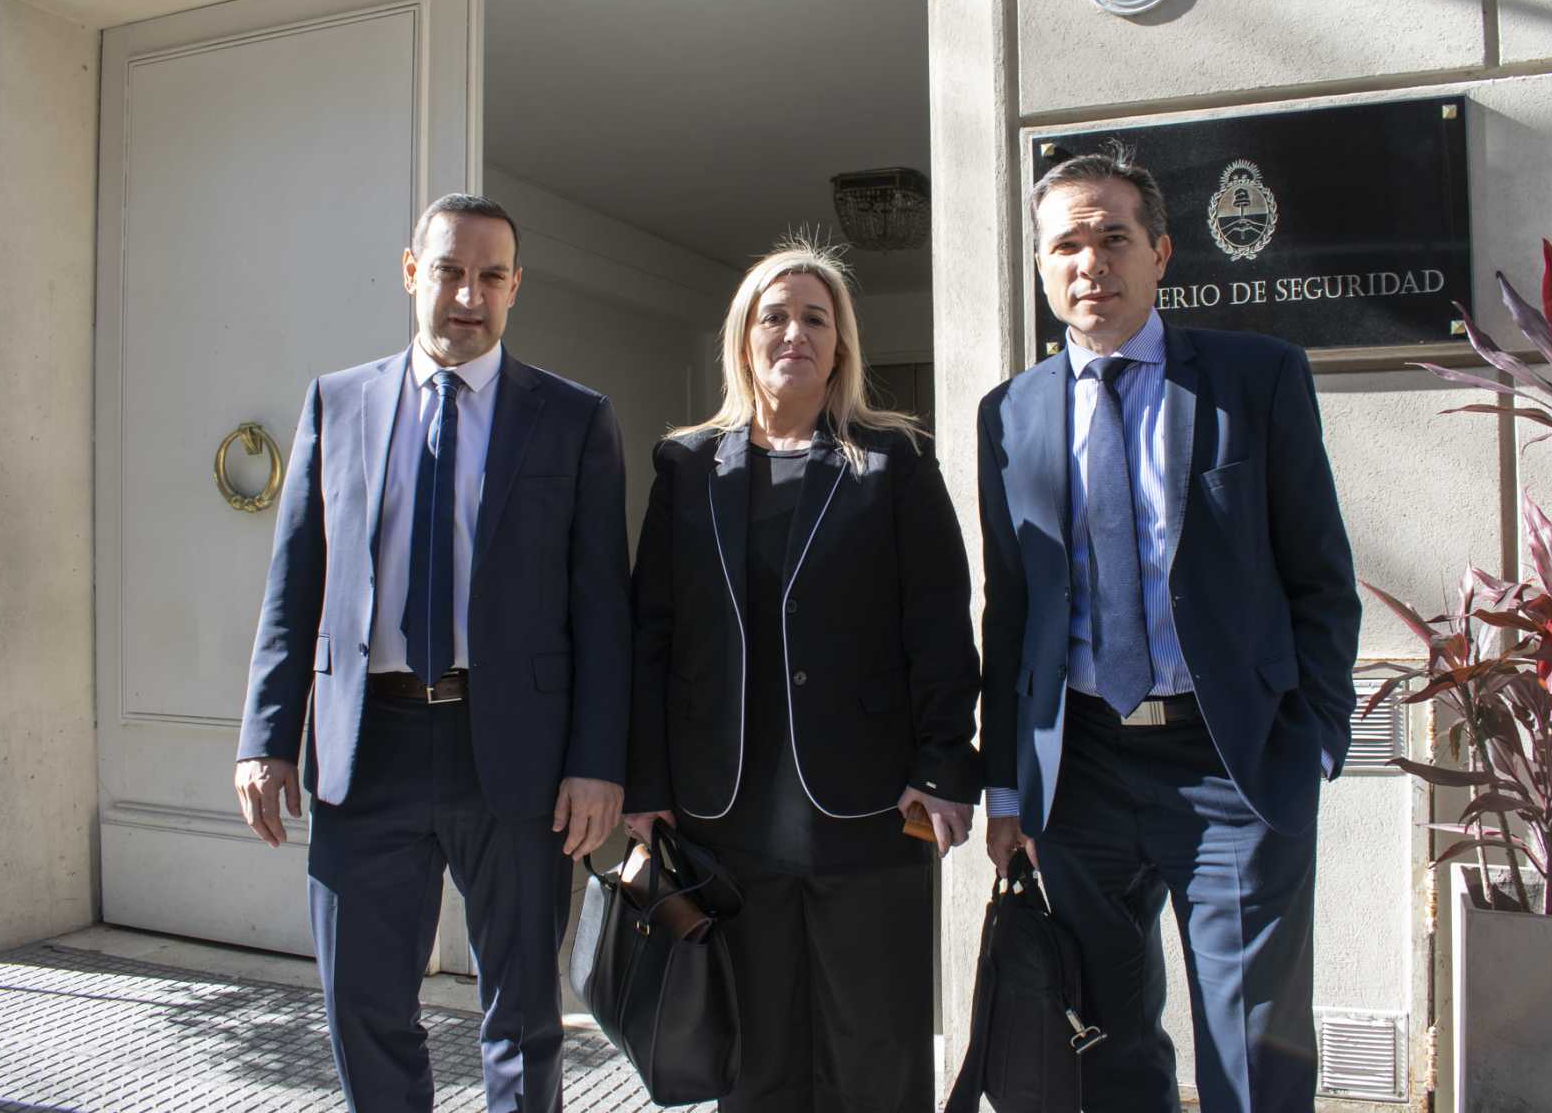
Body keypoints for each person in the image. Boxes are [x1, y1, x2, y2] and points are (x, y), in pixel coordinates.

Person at [976, 147, 1361, 1113]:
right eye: (1066, 243)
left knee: (1251, 1048)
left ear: (1162, 253)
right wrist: (1007, 782)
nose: (1089, 262)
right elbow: (1012, 611)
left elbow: (1321, 577)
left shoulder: (1255, 378)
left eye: (1113, 237)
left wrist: (1314, 735)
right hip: (1082, 772)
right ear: (1041, 265)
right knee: (1103, 1041)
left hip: (1227, 759)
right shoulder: (1009, 415)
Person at [233, 193, 631, 1113]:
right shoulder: (339, 402)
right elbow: (296, 582)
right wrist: (266, 734)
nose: (469, 294)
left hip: (519, 758)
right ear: (412, 270)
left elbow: (603, 609)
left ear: (516, 287)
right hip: (368, 747)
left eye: (492, 276)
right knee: (364, 1004)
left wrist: (597, 764)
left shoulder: (572, 420)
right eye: (450, 270)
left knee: (524, 1018)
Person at [623, 239, 981, 1113]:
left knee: (875, 1049)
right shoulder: (686, 467)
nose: (794, 331)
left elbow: (938, 621)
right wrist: (646, 782)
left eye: (815, 318)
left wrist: (944, 763)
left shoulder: (894, 462)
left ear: (841, 345)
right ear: (743, 339)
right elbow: (651, 636)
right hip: (724, 812)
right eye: (774, 316)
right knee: (757, 1059)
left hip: (869, 810)